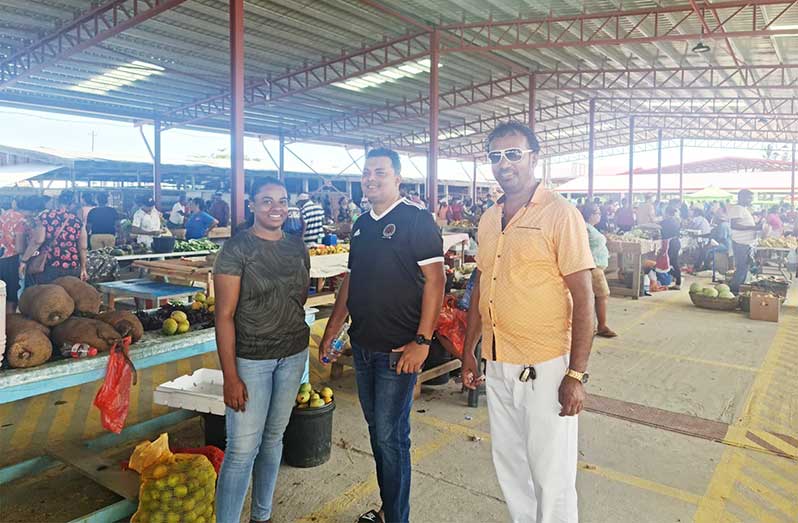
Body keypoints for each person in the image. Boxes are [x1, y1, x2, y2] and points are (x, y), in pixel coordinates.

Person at [461, 121, 595, 523]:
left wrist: (577, 374)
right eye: (495, 156)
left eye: (513, 154)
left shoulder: (560, 214)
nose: (504, 164)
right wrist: (470, 352)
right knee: (511, 464)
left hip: (546, 365)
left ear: (534, 158)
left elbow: (584, 298)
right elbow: (483, 288)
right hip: (499, 362)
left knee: (552, 473)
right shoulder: (488, 219)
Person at [319, 147, 444, 523]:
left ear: (397, 178)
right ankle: (390, 510)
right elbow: (352, 281)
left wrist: (422, 342)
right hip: (363, 346)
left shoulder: (416, 221)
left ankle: (397, 517)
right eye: (366, 173)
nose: (371, 179)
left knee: (391, 439)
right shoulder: (361, 225)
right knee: (379, 434)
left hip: (397, 350)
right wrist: (333, 328)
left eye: (380, 172)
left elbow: (435, 283)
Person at [213, 178, 311, 523]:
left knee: (273, 439)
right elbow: (223, 316)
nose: (276, 208)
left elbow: (298, 298)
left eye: (282, 201)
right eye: (267, 201)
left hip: (293, 353)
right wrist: (230, 376)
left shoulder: (297, 247)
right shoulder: (237, 249)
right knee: (241, 450)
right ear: (251, 205)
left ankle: (262, 516)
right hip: (251, 361)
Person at [20, 190, 88, 284]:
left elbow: (38, 240)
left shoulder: (46, 216)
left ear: (57, 202)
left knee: (45, 295)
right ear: (71, 204)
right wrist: (83, 268)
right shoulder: (77, 221)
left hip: (50, 265)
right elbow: (83, 247)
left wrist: (24, 260)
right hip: (72, 266)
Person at [581, 204, 616, 338]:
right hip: (592, 266)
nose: (599, 215)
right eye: (598, 213)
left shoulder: (591, 228)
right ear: (590, 214)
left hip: (596, 266)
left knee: (596, 297)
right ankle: (601, 326)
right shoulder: (584, 227)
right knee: (602, 295)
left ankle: (596, 325)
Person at [727, 189, 760, 293]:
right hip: (740, 243)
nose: (751, 200)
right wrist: (753, 227)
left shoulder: (743, 209)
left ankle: (737, 291)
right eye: (749, 198)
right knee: (741, 268)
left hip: (745, 243)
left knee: (744, 268)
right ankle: (733, 291)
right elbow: (734, 225)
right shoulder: (738, 208)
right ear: (742, 197)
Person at [0, 197, 30, 311]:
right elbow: (19, 247)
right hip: (10, 260)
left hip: (2, 256)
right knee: (10, 295)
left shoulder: (5, 215)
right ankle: (8, 324)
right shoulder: (21, 220)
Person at [660, 207, 682, 290]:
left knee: (667, 263)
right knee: (673, 262)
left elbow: (661, 231)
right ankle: (678, 281)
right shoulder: (676, 221)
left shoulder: (665, 222)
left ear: (667, 213)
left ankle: (677, 278)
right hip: (676, 242)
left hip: (671, 244)